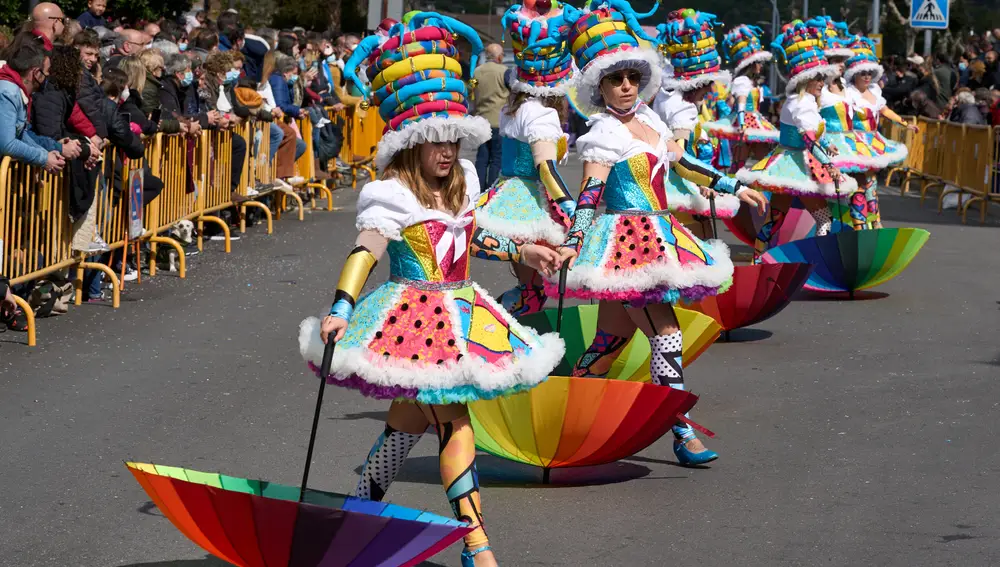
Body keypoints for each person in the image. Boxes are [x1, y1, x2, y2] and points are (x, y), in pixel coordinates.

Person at [301, 13, 564, 567]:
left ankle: (354, 518)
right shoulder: (391, 193)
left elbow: (474, 237)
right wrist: (341, 308)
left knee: (404, 425)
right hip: (412, 321)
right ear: (410, 143)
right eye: (434, 141)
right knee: (454, 420)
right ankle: (476, 545)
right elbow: (366, 250)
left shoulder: (464, 182)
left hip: (463, 312)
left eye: (453, 138)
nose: (446, 151)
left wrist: (525, 252)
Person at [555, 4, 765, 466]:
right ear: (600, 86)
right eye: (616, 79)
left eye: (632, 76)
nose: (626, 85)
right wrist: (572, 242)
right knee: (666, 333)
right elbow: (590, 195)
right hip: (626, 245)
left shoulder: (650, 120)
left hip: (659, 232)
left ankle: (564, 415)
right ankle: (680, 429)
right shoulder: (603, 134)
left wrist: (735, 186)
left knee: (609, 343)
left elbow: (685, 163)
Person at [474, 6, 578, 318]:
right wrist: (574, 213)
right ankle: (490, 332)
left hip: (509, 194)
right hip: (528, 202)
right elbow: (545, 169)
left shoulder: (516, 108)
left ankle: (492, 329)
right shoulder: (541, 113)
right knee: (533, 291)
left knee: (530, 287)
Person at [736, 21, 858, 252]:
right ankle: (818, 259)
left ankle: (758, 256)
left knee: (775, 219)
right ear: (805, 80)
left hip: (788, 165)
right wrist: (828, 164)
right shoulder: (802, 103)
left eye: (823, 78)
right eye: (818, 79)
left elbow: (814, 136)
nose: (822, 83)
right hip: (800, 168)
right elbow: (809, 139)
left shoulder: (801, 101)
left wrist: (828, 145)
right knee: (823, 219)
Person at [656, 18, 750, 239]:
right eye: (708, 83)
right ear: (699, 83)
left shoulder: (666, 96)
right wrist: (704, 183)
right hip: (676, 186)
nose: (710, 90)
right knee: (697, 254)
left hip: (658, 181)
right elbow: (680, 160)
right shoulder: (682, 109)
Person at [701, 23, 779, 171]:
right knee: (741, 161)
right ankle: (732, 187)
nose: (761, 66)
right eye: (758, 63)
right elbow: (741, 102)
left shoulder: (751, 82)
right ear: (751, 64)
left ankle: (755, 187)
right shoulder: (742, 81)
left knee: (763, 161)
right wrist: (742, 123)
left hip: (754, 120)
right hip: (744, 121)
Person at [0, 41, 66, 173]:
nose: (47, 77)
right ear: (36, 73)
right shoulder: (8, 93)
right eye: (46, 73)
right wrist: (44, 158)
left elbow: (20, 134)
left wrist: (45, 153)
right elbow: (7, 144)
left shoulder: (16, 91)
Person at [471, 43, 508, 190]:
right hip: (498, 121)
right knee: (496, 159)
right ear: (499, 56)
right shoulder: (504, 71)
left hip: (481, 120)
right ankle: (490, 190)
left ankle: (478, 189)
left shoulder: (477, 72)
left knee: (482, 159)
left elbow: (471, 91)